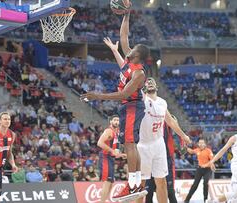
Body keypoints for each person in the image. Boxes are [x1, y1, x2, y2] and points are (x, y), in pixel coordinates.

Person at [80, 7, 151, 201]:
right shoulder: (129, 59)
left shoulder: (139, 73)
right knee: (129, 143)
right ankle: (134, 183)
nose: (129, 47)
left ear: (137, 55)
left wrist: (97, 96)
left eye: (133, 49)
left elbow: (123, 94)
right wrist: (127, 14)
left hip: (132, 106)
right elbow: (123, 34)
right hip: (127, 107)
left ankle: (134, 184)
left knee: (129, 143)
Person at [135, 78, 191, 203]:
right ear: (144, 88)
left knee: (162, 181)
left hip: (159, 144)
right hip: (143, 145)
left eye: (152, 81)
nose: (149, 82)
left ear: (157, 86)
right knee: (142, 183)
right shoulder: (142, 99)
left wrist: (183, 135)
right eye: (147, 82)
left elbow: (170, 121)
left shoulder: (162, 102)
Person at [145, 117, 181, 203]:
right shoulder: (146, 119)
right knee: (148, 192)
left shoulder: (166, 121)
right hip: (150, 159)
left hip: (166, 159)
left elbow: (174, 124)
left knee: (170, 192)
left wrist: (183, 137)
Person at [97, 115, 126, 203]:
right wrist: (112, 151)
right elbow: (99, 143)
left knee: (111, 183)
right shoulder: (109, 131)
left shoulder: (117, 133)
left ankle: (104, 200)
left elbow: (115, 152)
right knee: (107, 181)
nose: (116, 122)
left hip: (111, 158)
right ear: (111, 122)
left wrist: (122, 155)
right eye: (114, 120)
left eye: (118, 120)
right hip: (105, 157)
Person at [184, 138, 214, 203]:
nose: (201, 144)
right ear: (198, 144)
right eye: (199, 143)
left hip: (207, 170)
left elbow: (212, 160)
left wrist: (212, 165)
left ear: (205, 144)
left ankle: (205, 200)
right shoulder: (197, 150)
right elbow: (191, 151)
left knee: (205, 183)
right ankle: (187, 200)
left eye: (202, 143)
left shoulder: (208, 151)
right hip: (199, 169)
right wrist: (186, 147)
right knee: (195, 184)